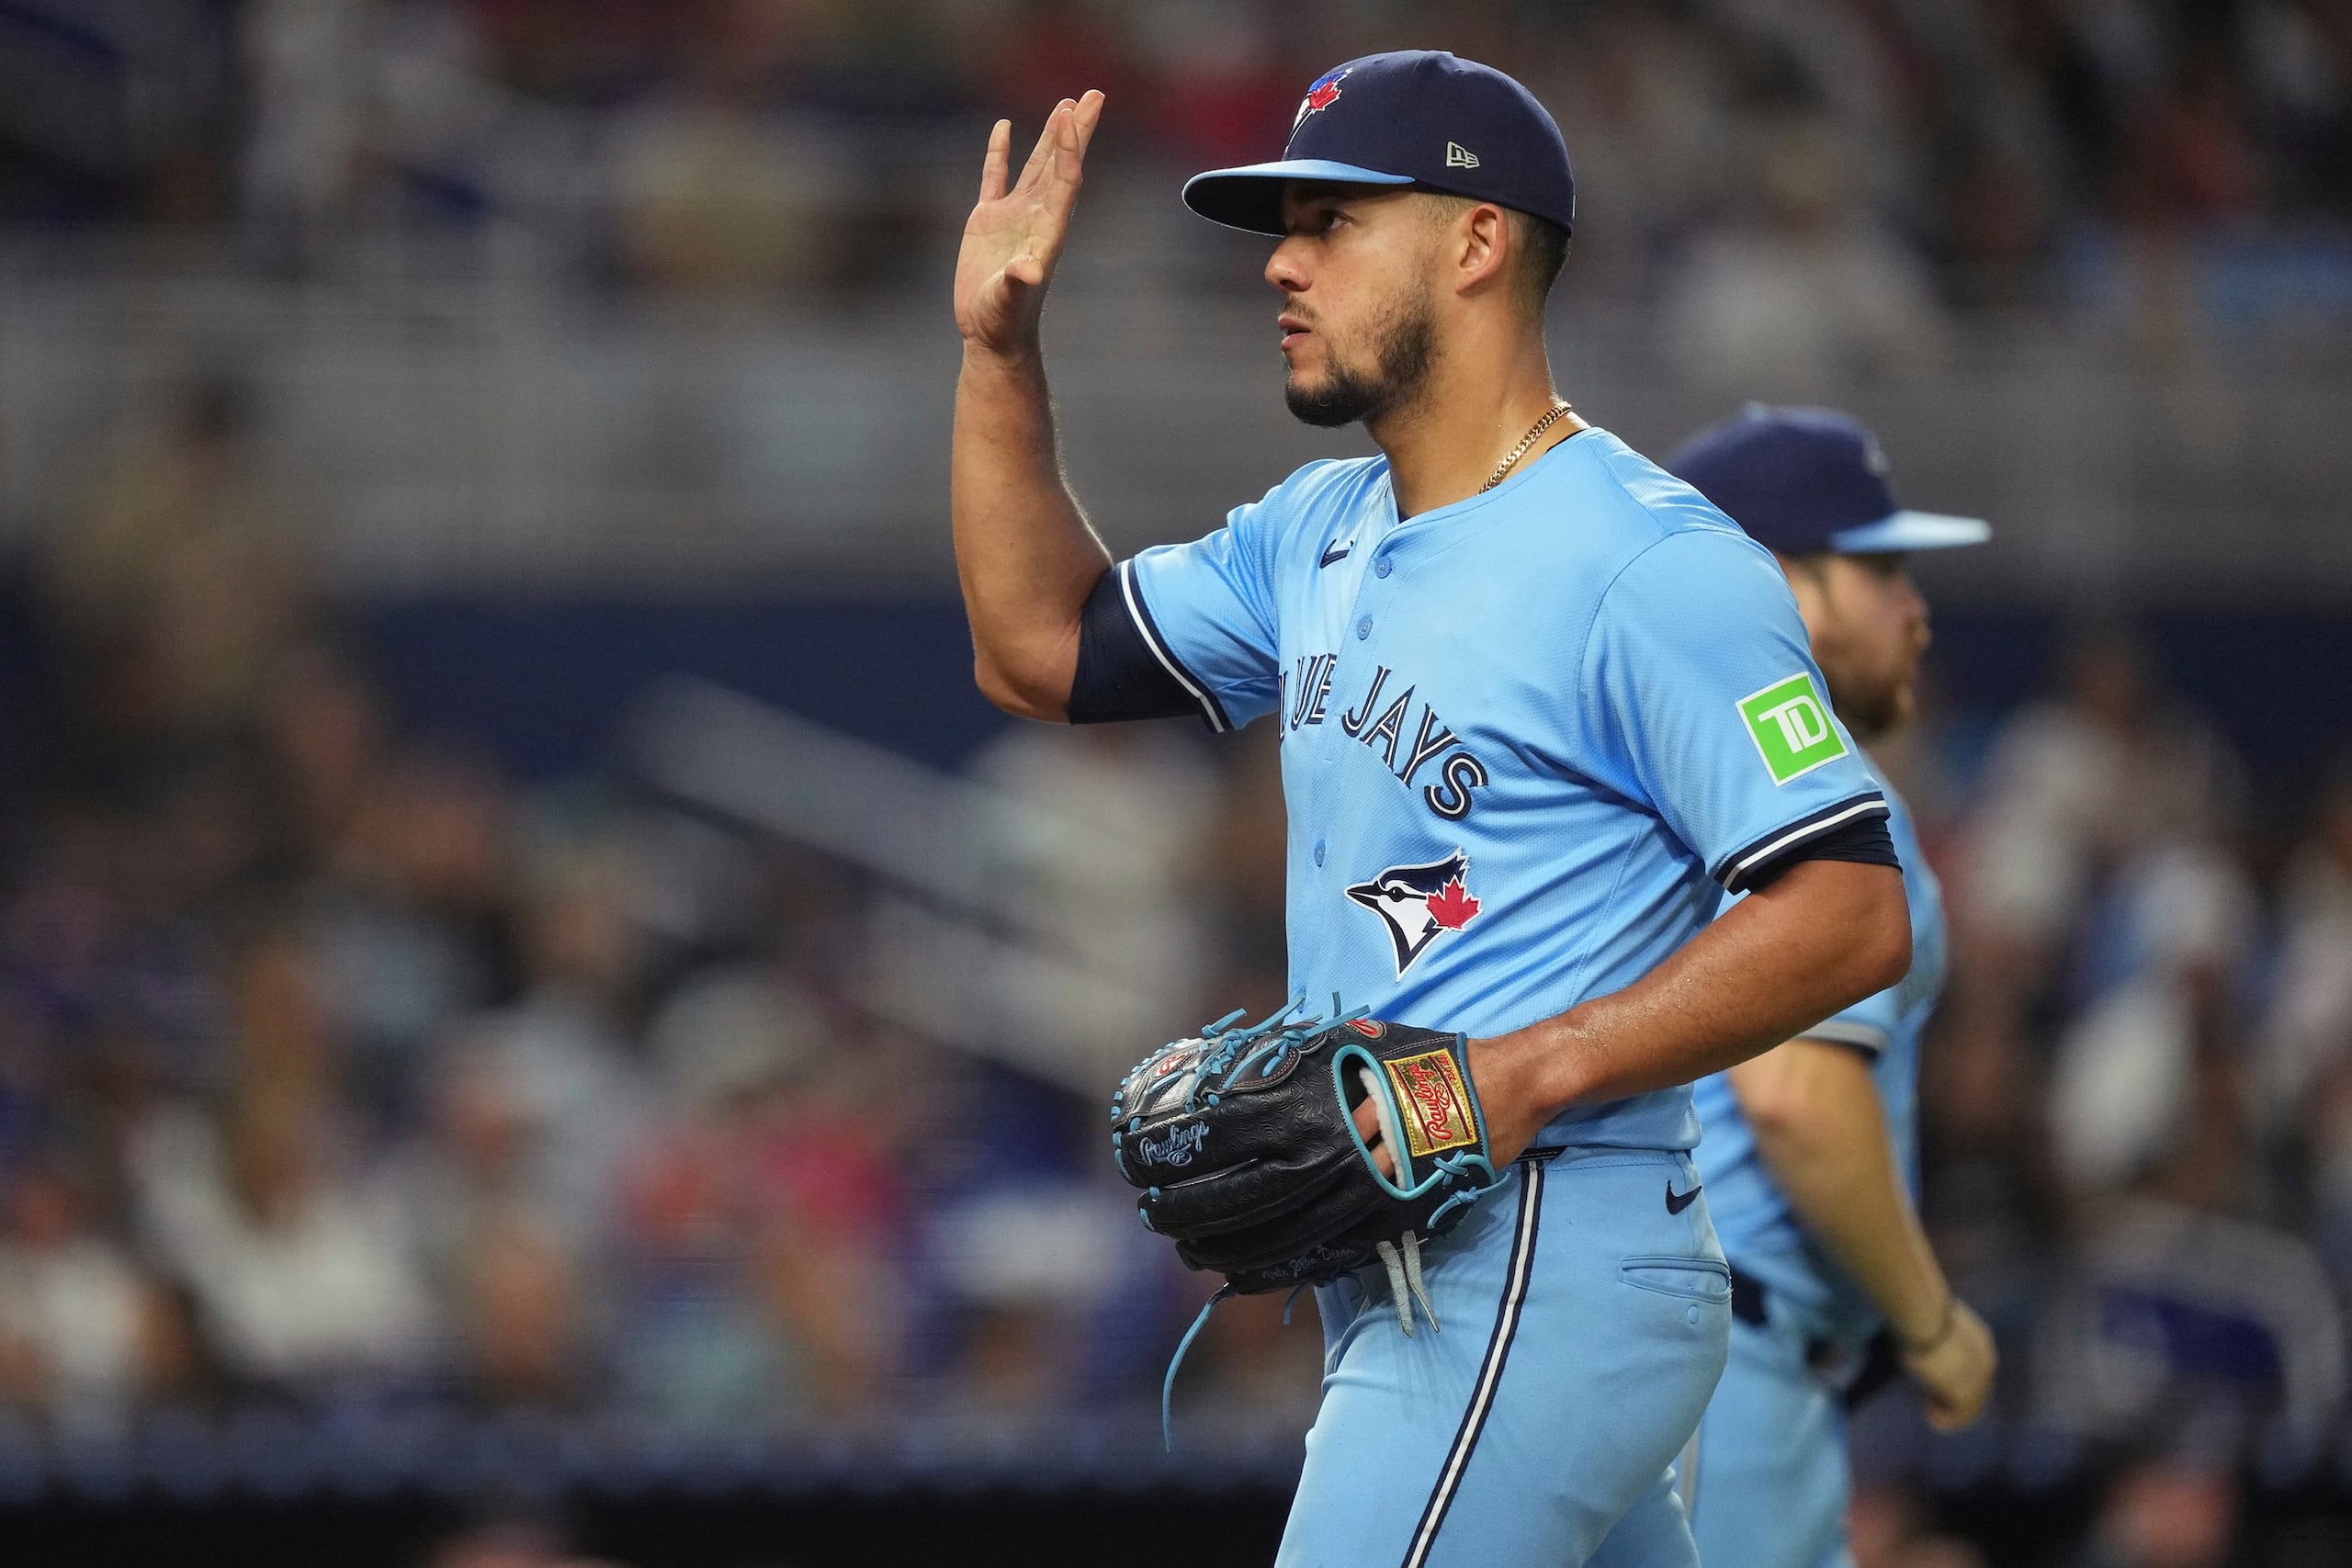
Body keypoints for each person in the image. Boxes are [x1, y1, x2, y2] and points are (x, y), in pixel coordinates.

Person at [950, 52, 1911, 1566]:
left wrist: (1520, 1074)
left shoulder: (1649, 564)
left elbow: (1853, 907)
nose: (1281, 258)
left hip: (1540, 1247)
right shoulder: (1317, 530)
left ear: (1475, 241)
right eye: (1284, 224)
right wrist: (999, 350)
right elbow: (1038, 643)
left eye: (1332, 220)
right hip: (1424, 1268)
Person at [1665, 407, 1998, 1568]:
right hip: (1723, 1345)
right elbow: (1794, 1094)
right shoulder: (1820, 807)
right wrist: (1932, 1323)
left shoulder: (1661, 780)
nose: (1914, 608)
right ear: (1780, 586)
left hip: (1647, 1335)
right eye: (1883, 568)